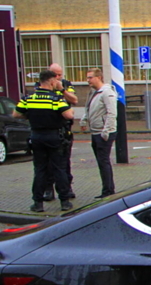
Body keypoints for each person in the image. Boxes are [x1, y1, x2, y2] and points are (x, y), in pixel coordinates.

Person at [15, 70, 76, 212]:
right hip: (54, 136)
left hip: (36, 136)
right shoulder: (55, 99)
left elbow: (16, 113)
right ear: (52, 81)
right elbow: (68, 115)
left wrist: (31, 118)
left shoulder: (29, 98)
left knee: (40, 170)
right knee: (59, 169)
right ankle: (65, 201)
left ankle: (37, 203)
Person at [36, 63, 78, 201]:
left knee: (64, 161)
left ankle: (67, 188)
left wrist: (62, 90)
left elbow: (74, 100)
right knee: (46, 164)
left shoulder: (65, 84)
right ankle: (48, 189)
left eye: (60, 74)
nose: (59, 77)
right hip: (47, 127)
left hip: (63, 128)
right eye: (56, 75)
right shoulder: (40, 84)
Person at [81, 68, 117, 198]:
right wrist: (84, 120)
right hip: (96, 132)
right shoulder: (94, 93)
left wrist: (106, 131)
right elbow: (89, 108)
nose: (88, 80)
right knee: (101, 162)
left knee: (103, 162)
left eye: (90, 77)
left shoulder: (106, 92)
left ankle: (108, 191)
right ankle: (107, 189)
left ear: (99, 77)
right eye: (87, 77)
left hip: (103, 132)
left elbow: (112, 112)